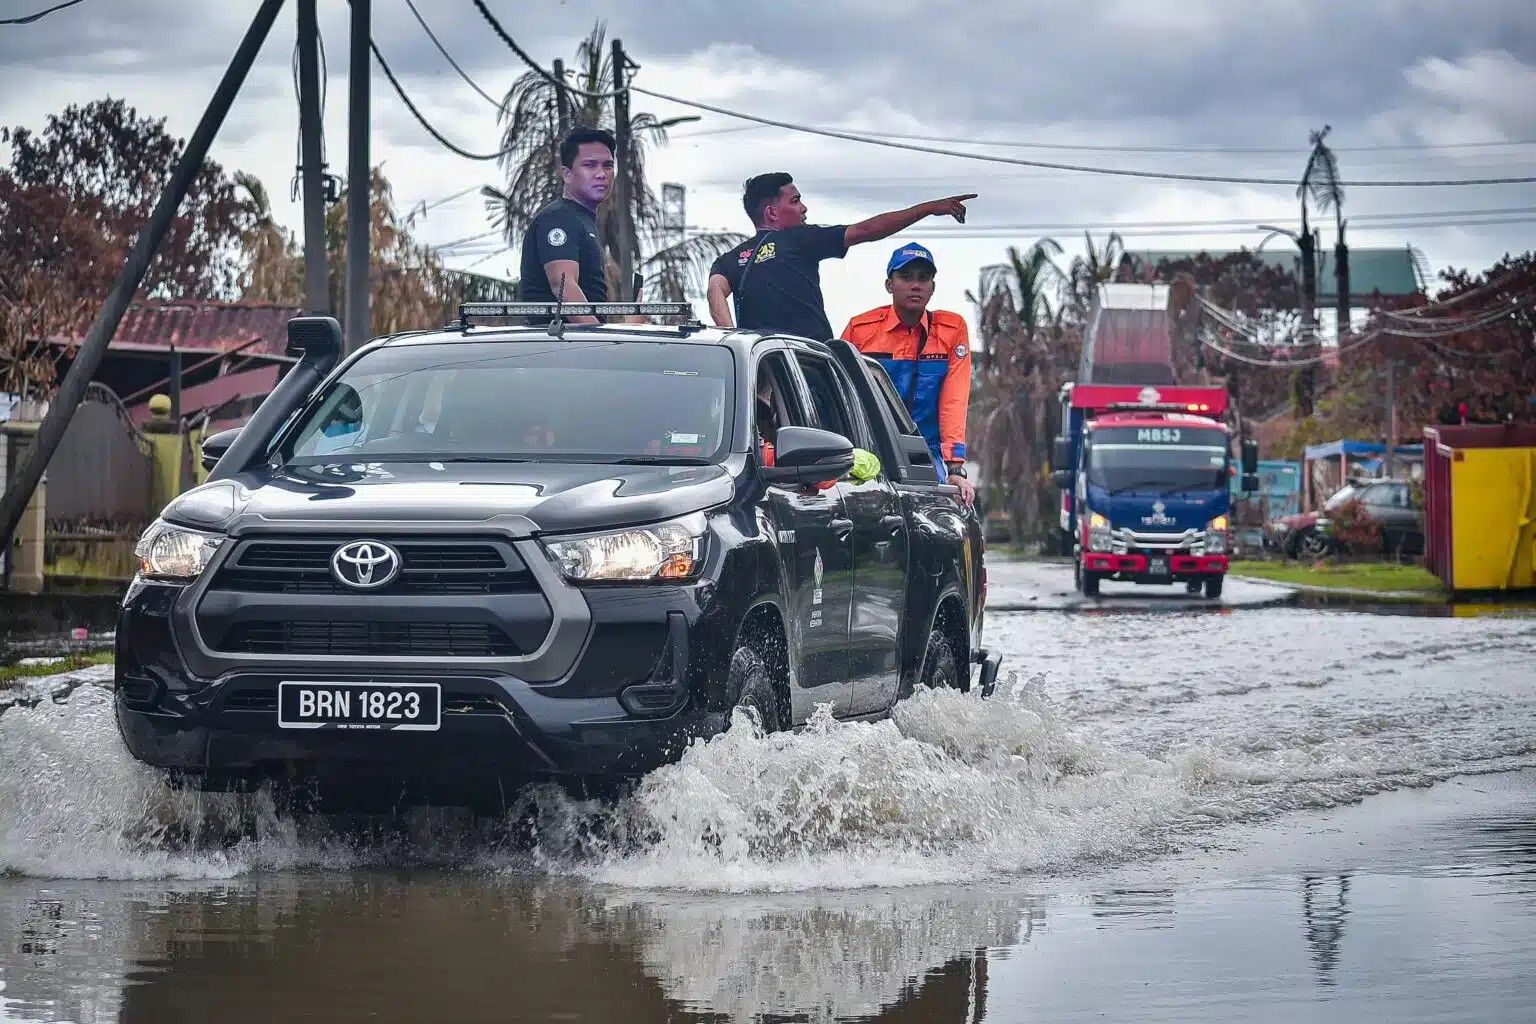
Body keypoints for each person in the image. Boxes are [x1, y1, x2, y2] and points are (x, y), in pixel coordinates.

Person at [707, 172, 976, 339]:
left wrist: (733, 337)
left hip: (762, 366)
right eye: (795, 200)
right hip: (808, 362)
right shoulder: (801, 238)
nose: (804, 208)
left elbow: (715, 290)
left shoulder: (734, 258)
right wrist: (927, 208)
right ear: (772, 213)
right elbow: (868, 230)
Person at [841, 243, 975, 506]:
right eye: (906, 277)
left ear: (932, 287)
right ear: (889, 284)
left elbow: (954, 401)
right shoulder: (860, 330)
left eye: (923, 278)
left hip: (926, 453)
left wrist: (955, 468)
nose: (916, 285)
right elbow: (840, 396)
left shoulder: (951, 329)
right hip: (870, 451)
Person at [519, 126, 616, 325]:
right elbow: (563, 287)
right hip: (560, 347)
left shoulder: (581, 220)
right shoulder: (559, 218)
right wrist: (603, 344)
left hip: (575, 346)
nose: (601, 174)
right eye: (590, 165)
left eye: (607, 165)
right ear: (567, 174)